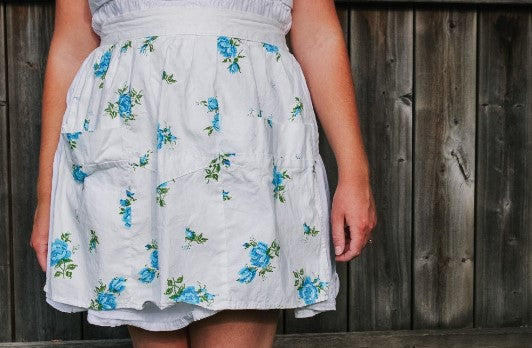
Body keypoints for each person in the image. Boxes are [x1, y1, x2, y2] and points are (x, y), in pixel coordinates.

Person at [30, 0, 377, 346]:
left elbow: (318, 36)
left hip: (248, 142)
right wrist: (47, 195)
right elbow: (71, 45)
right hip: (132, 147)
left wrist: (355, 172)